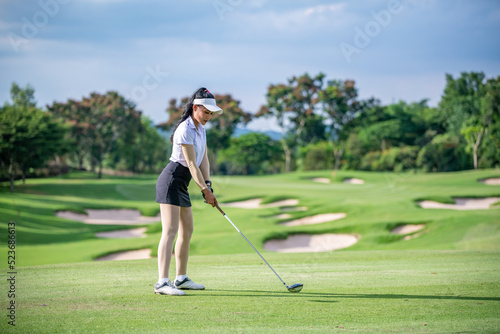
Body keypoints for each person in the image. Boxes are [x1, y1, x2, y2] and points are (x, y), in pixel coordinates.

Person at [154, 87, 222, 296]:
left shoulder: (201, 128)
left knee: (188, 230)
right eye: (206, 112)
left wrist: (208, 184)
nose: (209, 117)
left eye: (211, 113)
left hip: (181, 184)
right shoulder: (185, 129)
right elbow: (191, 164)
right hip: (171, 180)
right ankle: (162, 283)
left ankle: (181, 278)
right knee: (170, 231)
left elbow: (203, 160)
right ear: (195, 107)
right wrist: (204, 191)